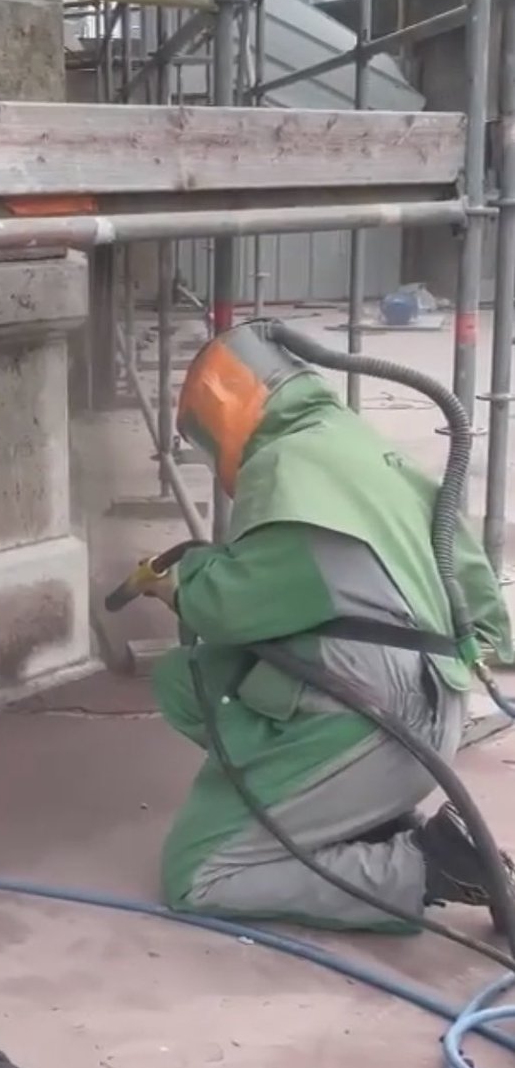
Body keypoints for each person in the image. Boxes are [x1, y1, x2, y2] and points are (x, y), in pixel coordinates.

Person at [147, 322, 515, 933]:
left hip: (377, 717)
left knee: (200, 871)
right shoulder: (353, 442)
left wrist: (187, 577)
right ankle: (339, 814)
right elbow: (468, 570)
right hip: (427, 697)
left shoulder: (289, 462)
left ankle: (427, 867)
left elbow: (233, 605)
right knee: (187, 680)